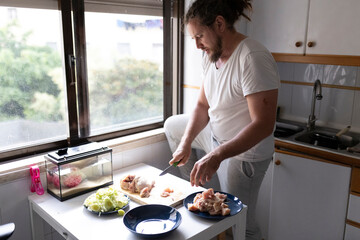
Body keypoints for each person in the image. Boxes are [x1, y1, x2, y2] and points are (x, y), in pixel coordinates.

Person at [164, 0, 280, 239]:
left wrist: (216, 156)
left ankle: (221, 220)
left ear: (219, 24)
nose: (197, 45)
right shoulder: (212, 55)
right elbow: (202, 105)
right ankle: (202, 197)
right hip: (215, 137)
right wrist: (186, 144)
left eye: (199, 36)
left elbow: (263, 125)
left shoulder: (252, 58)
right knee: (174, 127)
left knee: (239, 223)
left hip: (244, 153)